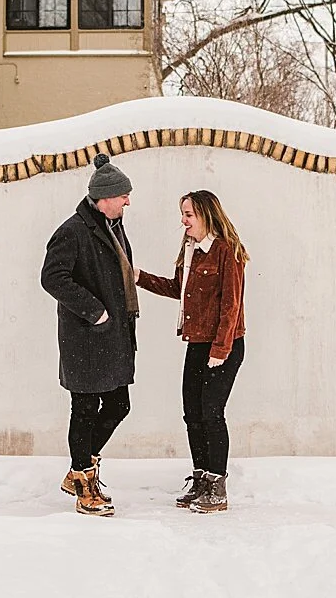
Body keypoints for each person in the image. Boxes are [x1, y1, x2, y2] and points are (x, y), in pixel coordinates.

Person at [39, 153, 140, 516]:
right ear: (105, 197)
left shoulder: (111, 225)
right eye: (123, 195)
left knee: (118, 405)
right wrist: (94, 311)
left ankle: (80, 470)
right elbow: (52, 277)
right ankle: (83, 482)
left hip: (111, 337)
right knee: (84, 408)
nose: (128, 200)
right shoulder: (73, 230)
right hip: (86, 337)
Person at [135, 190, 248, 513]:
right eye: (182, 214)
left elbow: (231, 305)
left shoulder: (227, 251)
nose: (183, 220)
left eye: (188, 214)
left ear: (206, 215)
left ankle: (217, 485)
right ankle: (201, 479)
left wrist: (221, 348)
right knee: (193, 414)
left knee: (212, 413)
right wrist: (139, 277)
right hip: (197, 343)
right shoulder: (191, 251)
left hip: (223, 345)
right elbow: (177, 289)